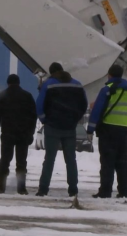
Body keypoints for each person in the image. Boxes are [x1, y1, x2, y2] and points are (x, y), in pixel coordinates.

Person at [35, 62, 88, 198]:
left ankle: (43, 189)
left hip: (52, 126)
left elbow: (39, 105)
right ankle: (73, 189)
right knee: (71, 159)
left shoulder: (48, 84)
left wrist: (44, 120)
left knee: (49, 159)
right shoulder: (76, 84)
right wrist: (75, 119)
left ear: (52, 72)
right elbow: (84, 104)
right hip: (70, 127)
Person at [87, 64, 127, 199]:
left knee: (107, 162)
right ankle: (124, 192)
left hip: (108, 129)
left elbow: (97, 110)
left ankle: (105, 191)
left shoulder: (107, 89)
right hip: (124, 130)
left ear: (109, 75)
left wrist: (90, 129)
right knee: (123, 162)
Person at [0, 74, 38, 195]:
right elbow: (33, 117)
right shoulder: (27, 96)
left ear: (8, 83)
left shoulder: (2, 96)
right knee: (21, 162)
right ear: (19, 83)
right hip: (23, 134)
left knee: (5, 160)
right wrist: (31, 133)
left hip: (8, 133)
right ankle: (21, 188)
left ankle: (0, 187)